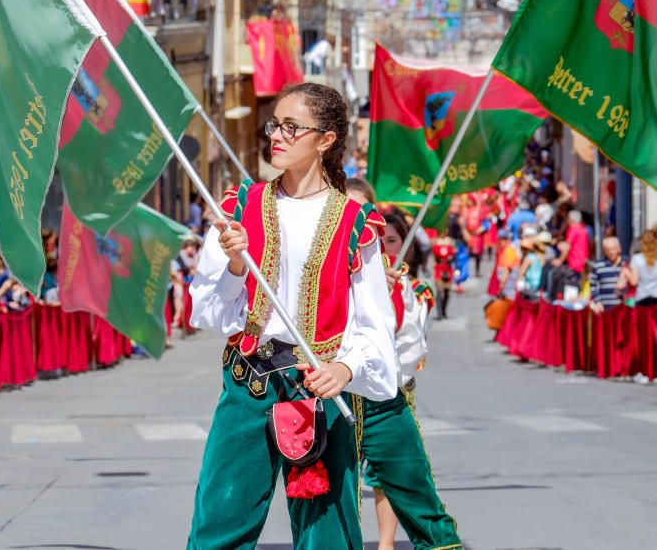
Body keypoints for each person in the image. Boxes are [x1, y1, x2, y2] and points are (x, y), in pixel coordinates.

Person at [187, 83, 397, 549]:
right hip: (249, 384)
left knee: (327, 535)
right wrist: (237, 264)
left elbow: (375, 323)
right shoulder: (240, 208)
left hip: (318, 392)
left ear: (325, 139)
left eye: (291, 127)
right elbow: (207, 308)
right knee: (219, 523)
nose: (276, 136)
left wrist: (345, 367)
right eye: (274, 125)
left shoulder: (355, 223)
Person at [363, 211, 461, 550]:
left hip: (392, 390)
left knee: (391, 473)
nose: (385, 247)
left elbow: (414, 344)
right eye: (379, 240)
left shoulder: (415, 289)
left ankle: (386, 544)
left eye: (392, 240)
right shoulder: (352, 277)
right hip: (348, 386)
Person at [619, 230, 657, 306]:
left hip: (642, 296)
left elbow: (634, 282)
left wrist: (627, 273)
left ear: (642, 243)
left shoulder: (636, 259)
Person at [546, 210, 588, 299]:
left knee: (556, 277)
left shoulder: (573, 229)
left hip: (573, 264)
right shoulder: (583, 229)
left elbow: (567, 247)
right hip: (581, 264)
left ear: (571, 219)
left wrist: (560, 260)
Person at [589, 236, 626, 313]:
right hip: (605, 308)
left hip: (624, 307)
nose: (611, 252)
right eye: (608, 250)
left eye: (613, 249)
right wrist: (597, 302)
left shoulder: (627, 263)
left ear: (619, 248)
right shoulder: (597, 265)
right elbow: (593, 286)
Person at [432, 234, 457, 319]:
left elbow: (454, 255)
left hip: (448, 269)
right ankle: (439, 313)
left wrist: (452, 257)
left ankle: (443, 310)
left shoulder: (451, 241)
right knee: (439, 292)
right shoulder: (435, 241)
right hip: (439, 270)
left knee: (447, 292)